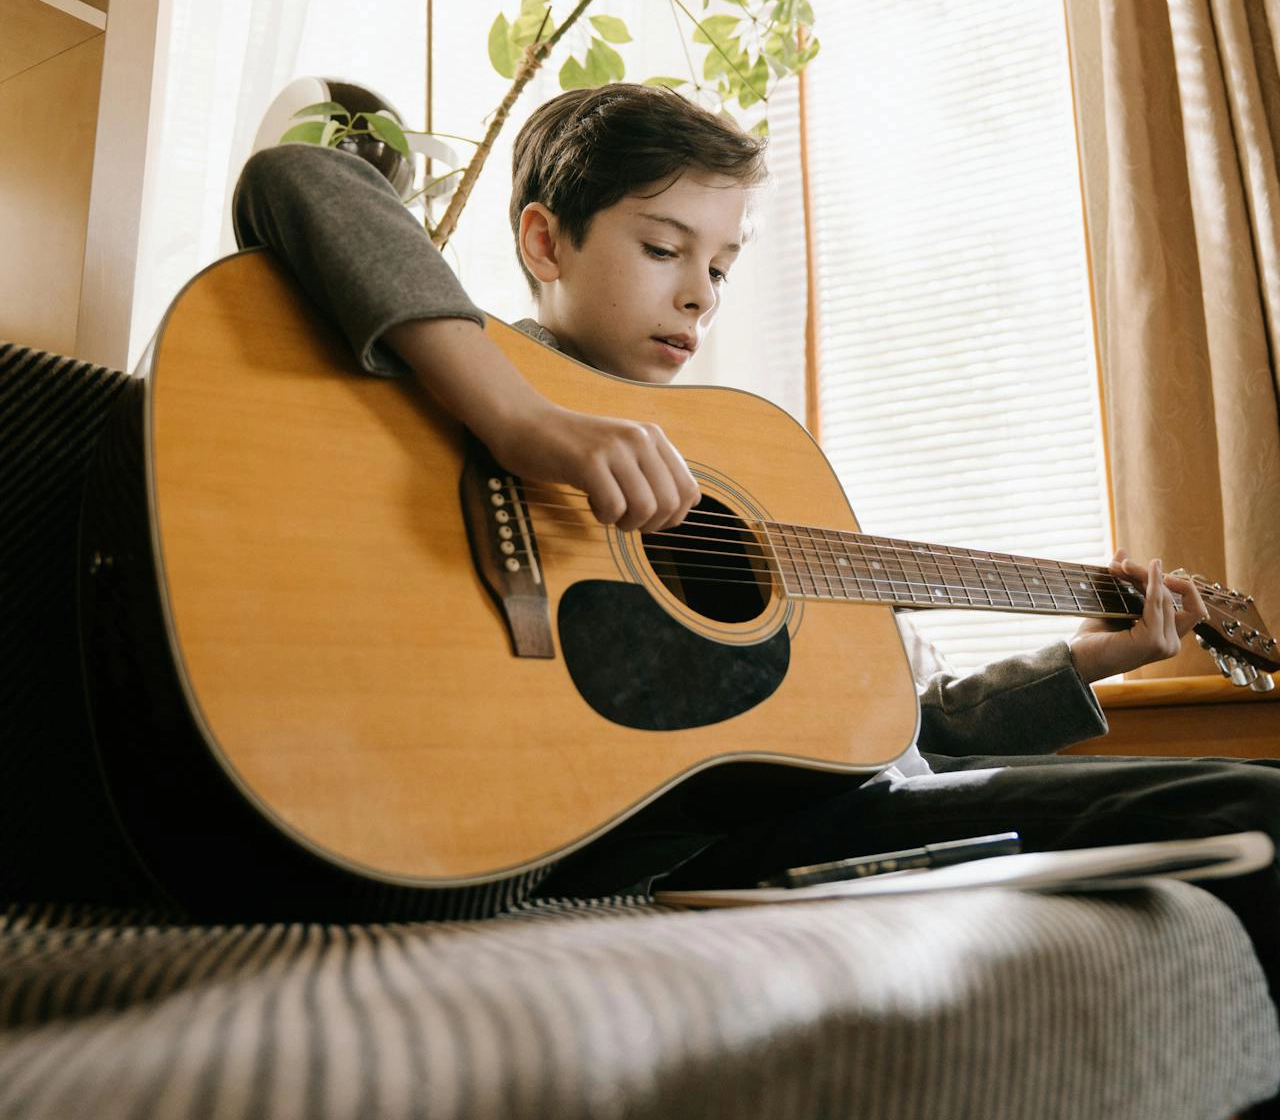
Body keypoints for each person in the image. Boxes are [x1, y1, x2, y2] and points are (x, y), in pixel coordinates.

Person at [232, 82, 1280, 989]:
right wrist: (523, 420)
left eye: (721, 268)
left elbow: (885, 737)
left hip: (799, 810)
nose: (697, 293)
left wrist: (1092, 663)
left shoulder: (736, 459)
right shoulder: (455, 382)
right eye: (661, 248)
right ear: (544, 240)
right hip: (659, 846)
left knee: (1251, 809)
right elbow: (299, 176)